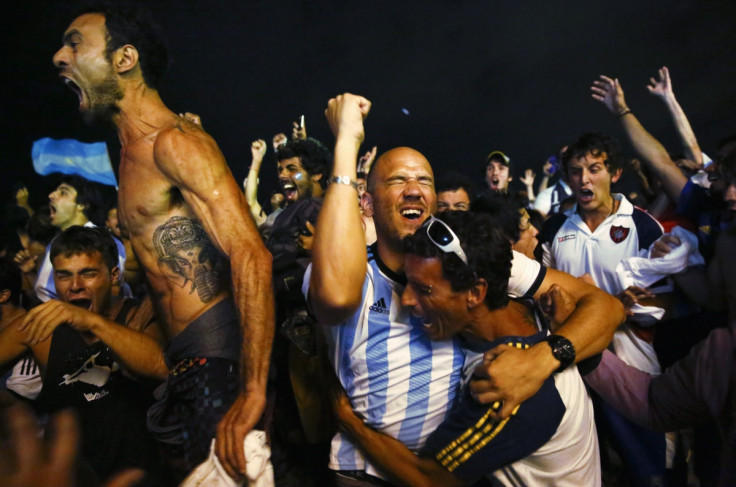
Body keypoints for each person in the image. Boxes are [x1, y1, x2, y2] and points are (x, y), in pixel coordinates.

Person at [308, 93, 623, 484]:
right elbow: (336, 297)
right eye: (396, 180)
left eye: (423, 180)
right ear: (368, 203)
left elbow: (605, 306)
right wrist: (345, 145)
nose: (412, 189)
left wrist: (542, 359)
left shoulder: (468, 260)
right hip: (367, 474)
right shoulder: (349, 271)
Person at [52, 6, 274, 480]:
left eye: (75, 43)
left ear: (124, 58)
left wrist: (252, 389)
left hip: (220, 367)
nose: (59, 57)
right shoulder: (128, 155)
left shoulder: (173, 142)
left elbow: (251, 254)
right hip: (184, 370)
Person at [331, 211, 600, 486]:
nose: (407, 299)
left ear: (475, 293)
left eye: (424, 290)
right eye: (407, 282)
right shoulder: (531, 309)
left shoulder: (505, 386)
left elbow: (430, 479)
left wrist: (352, 424)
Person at [539, 132, 666, 486]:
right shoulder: (553, 229)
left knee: (649, 472)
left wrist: (623, 306)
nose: (584, 179)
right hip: (573, 370)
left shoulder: (642, 225)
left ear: (615, 173)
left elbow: (670, 297)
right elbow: (540, 292)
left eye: (594, 169)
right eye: (576, 171)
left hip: (630, 367)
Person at [0, 226, 165, 483]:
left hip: (138, 476)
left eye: (87, 274)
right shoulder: (41, 325)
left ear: (113, 276)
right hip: (70, 477)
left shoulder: (137, 316)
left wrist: (90, 321)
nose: (75, 286)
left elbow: (158, 365)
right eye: (64, 276)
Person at [19, 175, 126, 303]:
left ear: (82, 205)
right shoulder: (57, 242)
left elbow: (113, 293)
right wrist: (29, 273)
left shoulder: (102, 241)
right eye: (54, 191)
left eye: (63, 193)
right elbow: (43, 294)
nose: (51, 195)